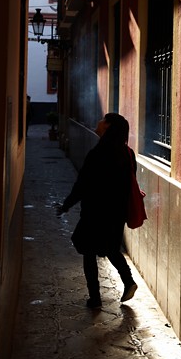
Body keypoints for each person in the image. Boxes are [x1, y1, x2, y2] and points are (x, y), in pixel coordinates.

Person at [57, 113, 138, 309]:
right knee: (110, 247)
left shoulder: (98, 153)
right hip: (116, 212)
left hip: (95, 211)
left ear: (108, 127)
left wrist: (67, 204)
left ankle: (95, 298)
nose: (99, 122)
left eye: (103, 119)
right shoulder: (128, 153)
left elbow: (82, 184)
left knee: (89, 251)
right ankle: (128, 281)